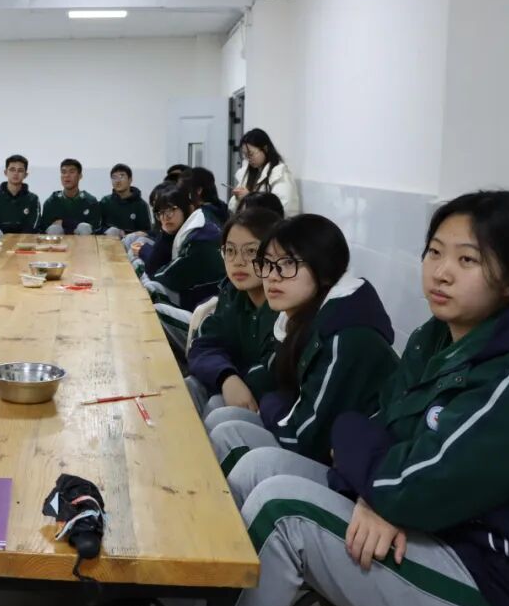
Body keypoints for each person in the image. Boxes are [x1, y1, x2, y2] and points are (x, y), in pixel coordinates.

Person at [227, 190, 509, 606]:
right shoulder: (433, 336)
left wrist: (387, 494)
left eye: (467, 260)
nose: (441, 272)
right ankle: (205, 595)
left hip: (493, 581)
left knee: (282, 511)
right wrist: (377, 494)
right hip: (427, 523)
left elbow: (412, 485)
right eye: (435, 252)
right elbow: (367, 424)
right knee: (258, 468)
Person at [206, 214, 398, 477]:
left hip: (353, 476)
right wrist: (233, 379)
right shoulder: (297, 318)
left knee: (254, 464)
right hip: (307, 437)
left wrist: (272, 401)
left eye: (287, 264)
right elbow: (268, 377)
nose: (272, 277)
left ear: (325, 270)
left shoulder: (347, 338)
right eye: (267, 264)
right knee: (223, 417)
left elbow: (305, 438)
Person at [185, 208, 282, 416]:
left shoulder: (284, 306)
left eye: (251, 251)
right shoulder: (233, 294)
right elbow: (203, 345)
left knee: (216, 407)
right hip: (234, 383)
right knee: (188, 387)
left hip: (270, 409)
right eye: (230, 251)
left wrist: (231, 374)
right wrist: (226, 376)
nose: (238, 261)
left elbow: (270, 377)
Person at [138, 185, 225, 349]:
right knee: (150, 287)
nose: (165, 217)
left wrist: (157, 240)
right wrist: (165, 234)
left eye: (170, 210)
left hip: (207, 319)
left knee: (153, 305)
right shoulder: (194, 228)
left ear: (188, 208)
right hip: (196, 301)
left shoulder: (200, 238)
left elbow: (160, 273)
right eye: (160, 213)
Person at [228, 128, 300, 215]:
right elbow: (232, 208)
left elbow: (282, 210)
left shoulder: (280, 174)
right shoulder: (249, 172)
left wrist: (249, 199)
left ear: (265, 149)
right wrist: (238, 198)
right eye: (245, 155)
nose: (248, 159)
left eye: (251, 154)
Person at [37, 158, 102, 236]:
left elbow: (96, 230)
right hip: (58, 242)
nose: (67, 176)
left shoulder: (91, 201)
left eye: (71, 172)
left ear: (80, 176)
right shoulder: (51, 202)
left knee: (84, 227)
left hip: (83, 242)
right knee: (54, 228)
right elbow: (44, 229)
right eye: (63, 172)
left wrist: (64, 222)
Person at [0, 154, 40, 234]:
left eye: (20, 170)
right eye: (12, 169)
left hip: (25, 240)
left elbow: (33, 227)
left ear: (25, 175)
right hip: (0, 240)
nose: (16, 173)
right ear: (5, 172)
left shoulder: (33, 199)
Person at [100, 163, 152, 238]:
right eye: (114, 177)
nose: (117, 181)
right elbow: (98, 228)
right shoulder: (105, 202)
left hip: (132, 242)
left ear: (130, 180)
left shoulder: (141, 205)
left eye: (121, 176)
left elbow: (147, 232)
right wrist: (109, 231)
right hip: (108, 241)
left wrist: (129, 235)